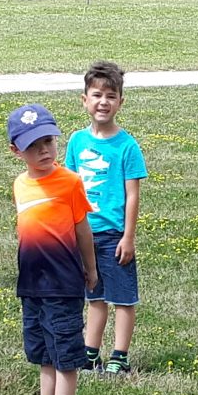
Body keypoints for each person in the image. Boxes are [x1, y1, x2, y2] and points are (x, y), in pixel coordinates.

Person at [4, 103, 95, 395]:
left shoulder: (70, 182)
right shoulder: (20, 185)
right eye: (33, 145)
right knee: (42, 351)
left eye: (48, 141)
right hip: (32, 283)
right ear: (16, 152)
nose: (43, 150)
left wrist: (91, 267)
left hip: (63, 282)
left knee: (65, 353)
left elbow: (81, 229)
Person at [66, 60, 147, 374]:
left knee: (123, 298)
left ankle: (120, 356)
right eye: (97, 95)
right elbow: (70, 188)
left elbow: (132, 195)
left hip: (114, 235)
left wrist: (128, 236)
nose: (103, 102)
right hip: (84, 233)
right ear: (85, 100)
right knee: (94, 296)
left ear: (120, 102)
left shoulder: (126, 146)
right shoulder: (76, 142)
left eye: (111, 96)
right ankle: (90, 352)